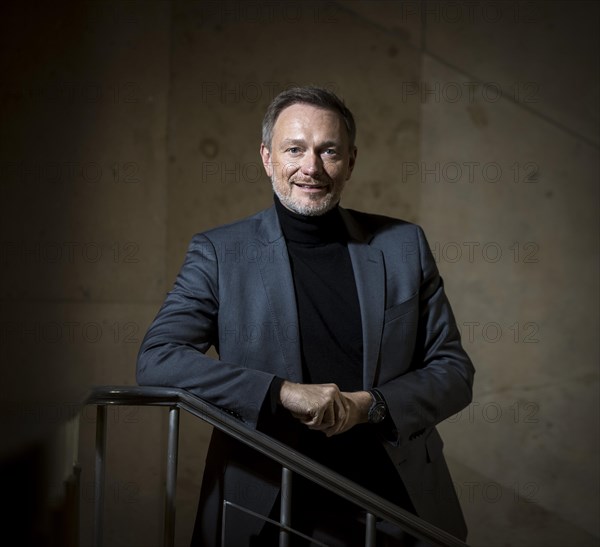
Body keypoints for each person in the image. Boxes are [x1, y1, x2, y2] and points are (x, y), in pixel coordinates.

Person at [137, 86, 475, 546]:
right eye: (294, 149)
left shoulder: (403, 245)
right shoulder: (220, 253)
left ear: (351, 161)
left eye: (328, 151)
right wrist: (280, 393)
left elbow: (454, 371)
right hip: (265, 508)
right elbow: (158, 360)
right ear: (266, 157)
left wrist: (369, 406)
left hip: (394, 506)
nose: (311, 167)